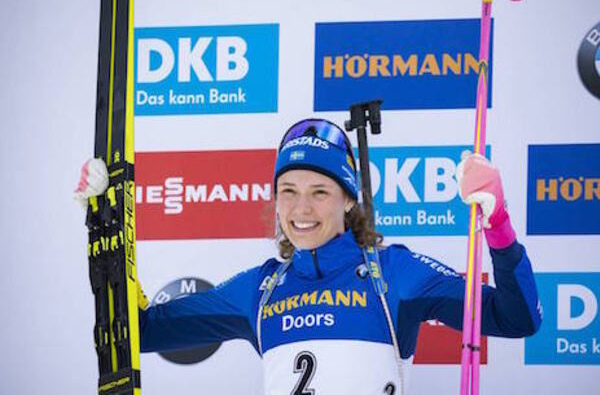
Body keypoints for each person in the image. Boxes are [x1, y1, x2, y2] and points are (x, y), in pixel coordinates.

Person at [76, 118, 542, 394]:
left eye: (320, 191)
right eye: (288, 191)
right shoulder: (260, 289)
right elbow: (144, 331)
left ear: (347, 200)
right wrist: (105, 224)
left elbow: (518, 317)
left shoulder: (393, 273)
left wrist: (497, 223)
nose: (301, 209)